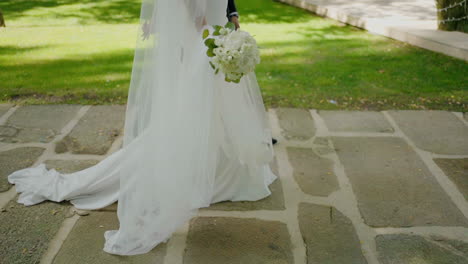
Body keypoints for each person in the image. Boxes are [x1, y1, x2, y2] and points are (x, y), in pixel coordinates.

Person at [8, 0, 277, 256]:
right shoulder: (206, 36)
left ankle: (223, 170)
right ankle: (193, 174)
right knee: (195, 114)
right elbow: (193, 11)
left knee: (217, 113)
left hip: (216, 36)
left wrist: (232, 19)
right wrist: (216, 40)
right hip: (207, 43)